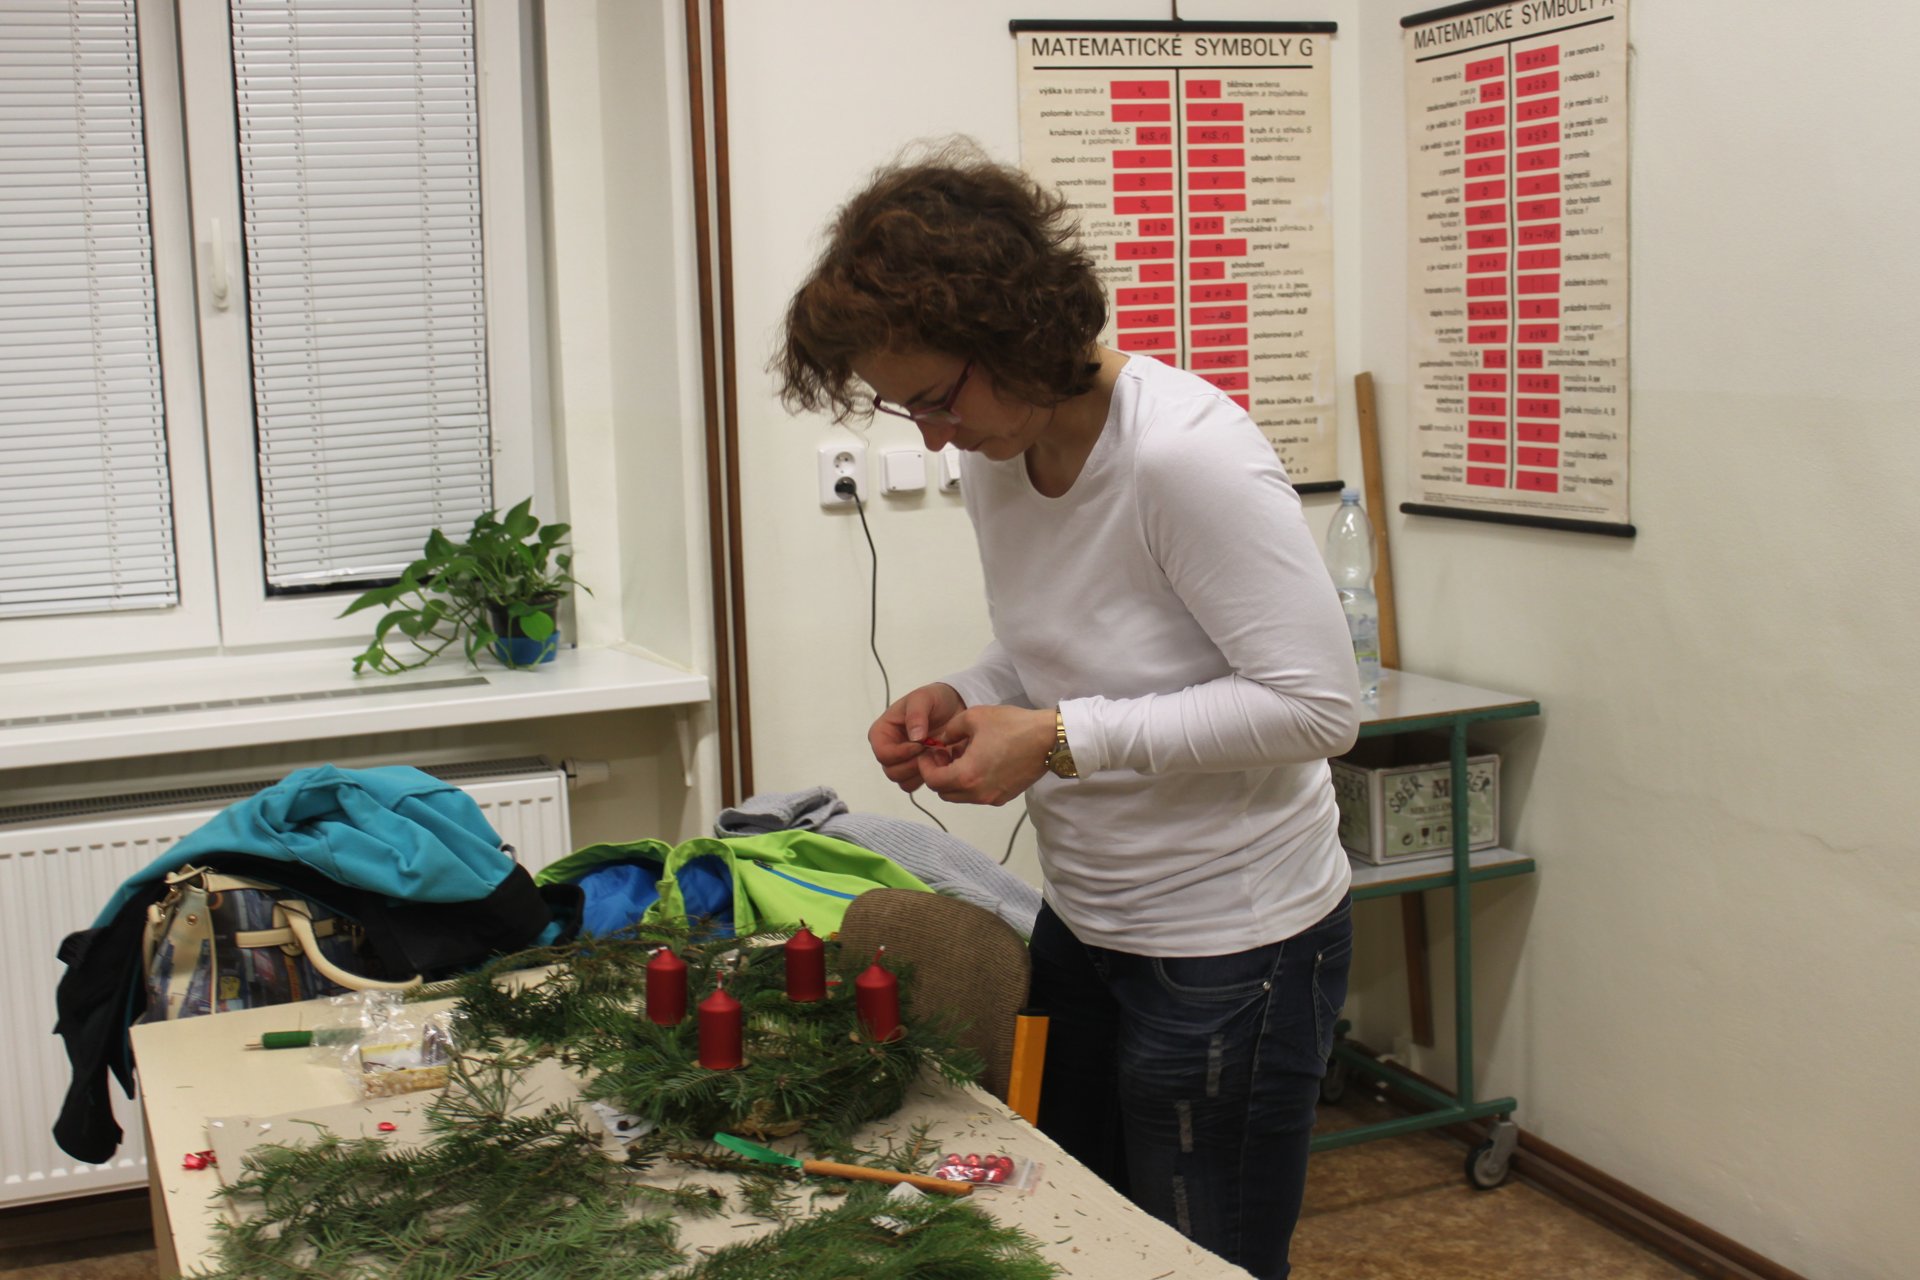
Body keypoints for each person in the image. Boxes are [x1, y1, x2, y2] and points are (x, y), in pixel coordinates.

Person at [776, 142, 1360, 1280]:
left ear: (1017, 329)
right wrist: (972, 693)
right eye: (905, 409)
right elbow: (1063, 640)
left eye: (937, 399)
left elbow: (1316, 706)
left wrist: (1054, 739)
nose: (931, 436)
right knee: (1077, 1239)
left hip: (1231, 943)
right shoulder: (1004, 448)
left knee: (1198, 1261)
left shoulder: (1183, 457)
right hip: (1089, 919)